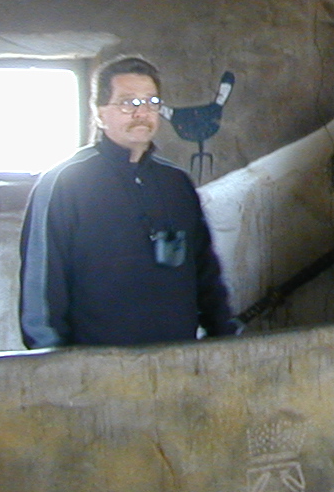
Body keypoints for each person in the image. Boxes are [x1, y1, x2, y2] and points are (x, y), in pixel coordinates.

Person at [19, 55, 236, 348]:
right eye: (127, 102)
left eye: (151, 102)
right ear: (99, 114)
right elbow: (41, 287)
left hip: (176, 356)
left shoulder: (176, 183)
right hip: (96, 362)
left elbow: (206, 271)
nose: (141, 112)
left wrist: (224, 341)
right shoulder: (64, 183)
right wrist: (52, 359)